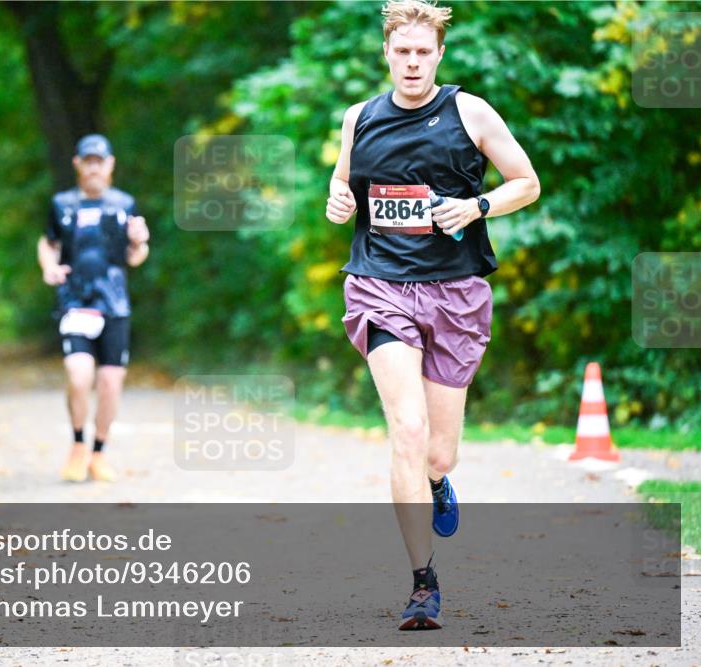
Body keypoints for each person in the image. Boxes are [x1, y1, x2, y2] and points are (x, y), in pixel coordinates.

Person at [325, 0, 540, 630]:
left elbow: (525, 182)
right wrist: (338, 202)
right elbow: (344, 189)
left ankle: (437, 481)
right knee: (407, 431)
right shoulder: (358, 118)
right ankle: (423, 582)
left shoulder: (469, 112)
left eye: (424, 52)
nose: (413, 62)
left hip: (455, 291)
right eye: (402, 52)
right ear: (386, 54)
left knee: (438, 454)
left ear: (438, 56)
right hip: (379, 285)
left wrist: (477, 207)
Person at [38, 135, 150, 483]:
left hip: (114, 304)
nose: (94, 167)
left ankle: (98, 452)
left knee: (110, 383)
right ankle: (77, 445)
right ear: (78, 164)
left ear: (110, 164)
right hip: (75, 302)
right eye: (88, 161)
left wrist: (140, 241)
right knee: (78, 374)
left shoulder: (124, 204)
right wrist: (49, 266)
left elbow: (135, 258)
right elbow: (47, 242)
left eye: (99, 161)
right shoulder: (62, 204)